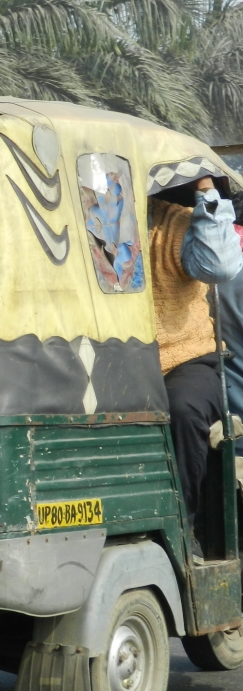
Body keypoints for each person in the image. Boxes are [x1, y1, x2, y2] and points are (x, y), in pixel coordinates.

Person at [147, 176, 242, 560]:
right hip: (117, 358)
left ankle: (182, 530)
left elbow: (218, 266)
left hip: (187, 358)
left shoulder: (179, 222)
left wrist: (205, 189)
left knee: (184, 409)